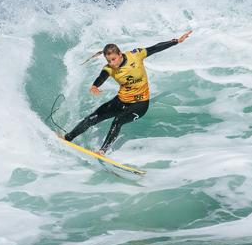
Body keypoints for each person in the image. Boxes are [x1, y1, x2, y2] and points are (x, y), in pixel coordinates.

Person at [61, 30, 193, 154]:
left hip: (140, 104)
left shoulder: (135, 55)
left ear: (120, 54)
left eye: (113, 59)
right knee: (92, 118)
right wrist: (95, 85)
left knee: (117, 121)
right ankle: (67, 138)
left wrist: (176, 41)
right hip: (121, 100)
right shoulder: (109, 68)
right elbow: (102, 77)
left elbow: (155, 48)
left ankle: (102, 152)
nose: (111, 63)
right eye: (108, 60)